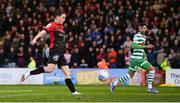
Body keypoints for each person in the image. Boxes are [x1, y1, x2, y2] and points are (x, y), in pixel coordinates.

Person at [20, 10, 81, 95]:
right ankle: (29, 73)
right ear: (58, 17)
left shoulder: (62, 27)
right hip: (55, 50)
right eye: (63, 17)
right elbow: (43, 32)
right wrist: (34, 39)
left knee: (67, 72)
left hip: (60, 52)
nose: (64, 19)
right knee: (49, 69)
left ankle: (74, 92)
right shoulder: (52, 24)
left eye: (65, 18)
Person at [110, 23, 159, 93]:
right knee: (152, 69)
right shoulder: (137, 35)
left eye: (145, 28)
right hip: (137, 59)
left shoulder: (143, 37)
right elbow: (134, 46)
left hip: (136, 58)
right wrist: (146, 46)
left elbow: (140, 48)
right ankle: (150, 88)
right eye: (143, 28)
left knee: (130, 75)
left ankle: (114, 83)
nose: (144, 29)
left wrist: (144, 55)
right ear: (139, 28)